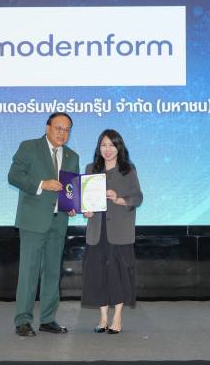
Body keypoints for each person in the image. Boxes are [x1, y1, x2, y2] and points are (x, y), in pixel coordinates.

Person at [8, 112, 80, 337]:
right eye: (59, 128)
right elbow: (14, 176)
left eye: (67, 129)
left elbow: (71, 190)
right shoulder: (29, 147)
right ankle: (23, 321)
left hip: (59, 222)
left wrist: (72, 205)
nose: (62, 133)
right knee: (28, 272)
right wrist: (42, 184)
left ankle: (48, 319)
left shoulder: (72, 156)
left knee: (52, 272)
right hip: (33, 220)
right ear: (48, 127)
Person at [81, 129, 143, 334]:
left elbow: (138, 197)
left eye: (111, 145)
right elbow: (84, 200)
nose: (107, 149)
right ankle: (103, 318)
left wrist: (119, 199)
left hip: (120, 231)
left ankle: (117, 317)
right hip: (97, 230)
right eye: (103, 145)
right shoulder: (91, 169)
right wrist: (86, 211)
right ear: (99, 147)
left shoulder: (128, 169)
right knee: (98, 274)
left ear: (119, 147)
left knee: (119, 274)